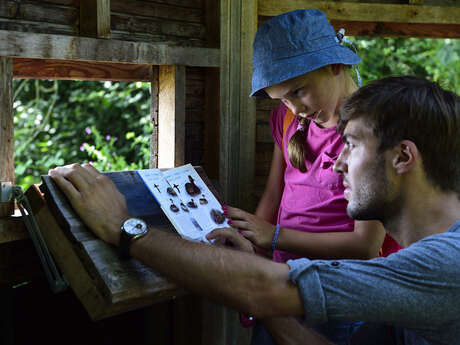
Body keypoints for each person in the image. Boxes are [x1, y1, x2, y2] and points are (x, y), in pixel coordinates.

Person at [49, 76, 460, 345]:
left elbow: (262, 288)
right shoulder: (421, 266)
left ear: (403, 157)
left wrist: (125, 227)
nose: (336, 163)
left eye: (351, 145)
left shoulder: (446, 266)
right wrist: (251, 277)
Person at [213, 9, 399, 344]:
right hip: (281, 283)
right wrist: (249, 250)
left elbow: (365, 245)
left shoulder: (375, 128)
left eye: (298, 91)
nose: (293, 106)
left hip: (341, 295)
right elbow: (274, 194)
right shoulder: (287, 120)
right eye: (281, 97)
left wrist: (273, 237)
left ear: (335, 66)